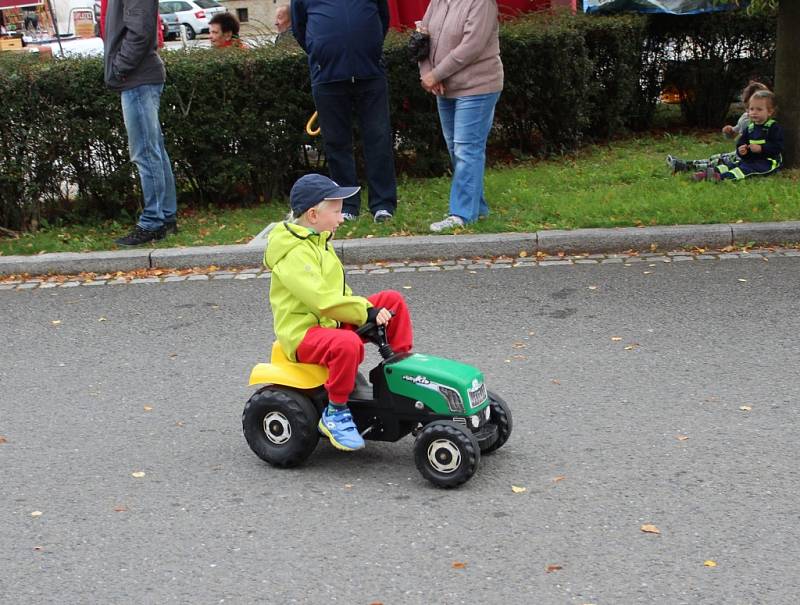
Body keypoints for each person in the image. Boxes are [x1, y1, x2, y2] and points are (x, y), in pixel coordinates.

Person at [264, 173, 413, 451]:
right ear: (312, 215)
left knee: (392, 301)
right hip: (303, 334)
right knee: (348, 343)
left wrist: (368, 309)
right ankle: (336, 412)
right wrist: (365, 312)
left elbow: (339, 296)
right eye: (336, 211)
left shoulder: (320, 242)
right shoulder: (294, 254)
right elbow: (322, 300)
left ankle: (400, 371)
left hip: (328, 322)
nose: (342, 218)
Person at [291, 0, 397, 224]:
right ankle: (347, 205)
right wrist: (320, 53)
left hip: (370, 74)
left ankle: (383, 204)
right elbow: (299, 28)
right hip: (327, 77)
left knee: (378, 139)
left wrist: (370, 48)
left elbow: (382, 19)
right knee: (337, 144)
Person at [418, 0, 504, 233]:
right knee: (457, 149)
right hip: (444, 87)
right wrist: (427, 73)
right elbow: (422, 36)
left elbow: (471, 46)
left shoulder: (482, 3)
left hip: (478, 86)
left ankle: (461, 214)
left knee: (467, 149)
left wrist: (436, 74)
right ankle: (478, 208)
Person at [103, 0, 177, 245]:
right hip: (138, 77)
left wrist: (120, 68)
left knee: (146, 152)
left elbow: (140, 31)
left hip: (137, 78)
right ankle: (165, 217)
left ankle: (153, 222)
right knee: (153, 150)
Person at [667, 81, 769, 174]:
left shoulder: (763, 124)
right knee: (716, 158)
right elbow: (735, 132)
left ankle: (688, 168)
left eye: (758, 109)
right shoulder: (744, 118)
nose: (753, 113)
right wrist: (729, 132)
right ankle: (688, 164)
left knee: (720, 163)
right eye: (749, 108)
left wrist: (740, 139)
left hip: (747, 158)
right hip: (738, 153)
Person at [692, 90, 783, 182]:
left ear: (770, 112)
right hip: (750, 159)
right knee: (733, 165)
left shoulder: (773, 127)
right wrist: (741, 150)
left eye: (759, 109)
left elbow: (778, 147)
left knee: (744, 169)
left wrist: (761, 148)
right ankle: (707, 174)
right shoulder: (750, 128)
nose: (754, 112)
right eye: (751, 109)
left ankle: (721, 178)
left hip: (767, 161)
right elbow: (742, 142)